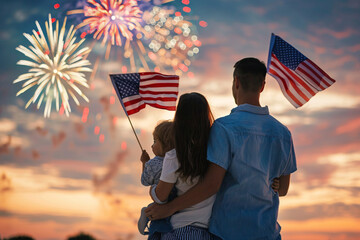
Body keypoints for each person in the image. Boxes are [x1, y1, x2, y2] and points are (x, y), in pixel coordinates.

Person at [145, 57, 297, 240]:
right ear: (263, 86)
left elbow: (211, 185)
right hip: (268, 233)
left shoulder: (223, 128)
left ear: (236, 82)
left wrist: (169, 208)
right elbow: (283, 189)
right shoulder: (283, 133)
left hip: (227, 232)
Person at [147, 92, 218, 239]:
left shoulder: (174, 156)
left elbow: (160, 197)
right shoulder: (215, 153)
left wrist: (152, 189)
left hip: (179, 230)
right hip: (207, 231)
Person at [138, 120, 175, 236]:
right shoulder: (179, 159)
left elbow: (145, 181)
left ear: (167, 143)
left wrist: (145, 162)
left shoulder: (153, 164)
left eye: (155, 141)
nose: (152, 145)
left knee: (159, 224)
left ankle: (147, 214)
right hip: (176, 197)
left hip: (162, 198)